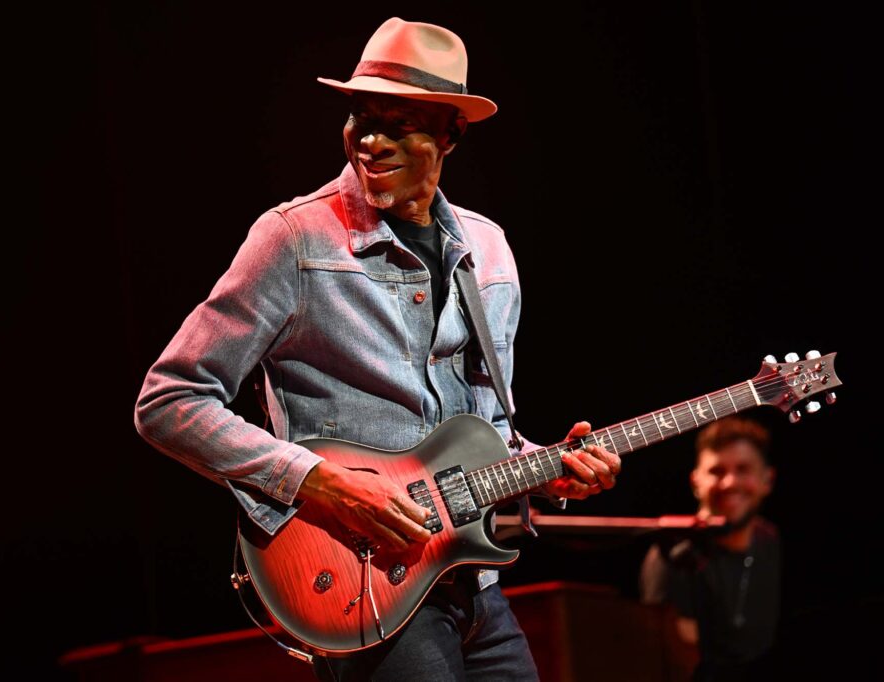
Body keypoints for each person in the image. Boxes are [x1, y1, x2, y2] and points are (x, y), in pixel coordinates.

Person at [135, 17, 622, 680]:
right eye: (361, 118)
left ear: (452, 132)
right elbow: (168, 401)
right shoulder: (295, 240)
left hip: (474, 588)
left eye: (400, 124)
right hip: (361, 585)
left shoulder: (491, 253)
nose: (370, 141)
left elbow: (486, 433)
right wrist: (319, 483)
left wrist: (550, 468)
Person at [640, 416, 780, 682]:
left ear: (767, 480)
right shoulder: (671, 557)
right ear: (695, 482)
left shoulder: (769, 541)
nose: (729, 483)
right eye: (717, 471)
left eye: (743, 469)